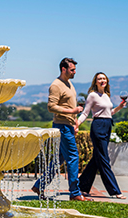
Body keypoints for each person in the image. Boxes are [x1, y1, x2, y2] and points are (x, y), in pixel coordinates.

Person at [31, 57, 92, 201]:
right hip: (62, 127)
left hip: (68, 126)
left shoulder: (69, 84)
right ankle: (75, 193)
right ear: (63, 69)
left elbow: (71, 105)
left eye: (75, 69)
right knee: (73, 157)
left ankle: (39, 185)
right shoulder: (56, 85)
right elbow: (51, 107)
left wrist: (75, 122)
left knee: (59, 159)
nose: (75, 72)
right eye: (72, 70)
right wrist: (72, 112)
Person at [76, 72, 127, 199]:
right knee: (104, 158)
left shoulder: (106, 95)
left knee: (97, 158)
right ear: (96, 81)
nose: (102, 80)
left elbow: (109, 112)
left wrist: (120, 107)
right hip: (98, 126)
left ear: (107, 81)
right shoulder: (92, 95)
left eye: (104, 79)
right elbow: (85, 113)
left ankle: (82, 186)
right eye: (99, 79)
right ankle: (115, 190)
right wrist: (77, 123)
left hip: (108, 125)